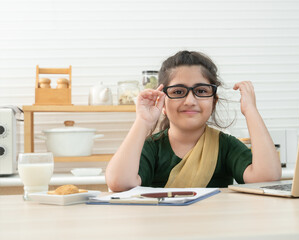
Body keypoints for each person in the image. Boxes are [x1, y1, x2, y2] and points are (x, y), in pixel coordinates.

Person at [106, 50, 281, 192]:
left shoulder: (225, 145)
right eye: (178, 92)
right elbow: (119, 183)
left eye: (202, 91)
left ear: (214, 101)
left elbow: (267, 178)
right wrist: (143, 121)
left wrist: (251, 111)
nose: (190, 100)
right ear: (162, 103)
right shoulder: (153, 147)